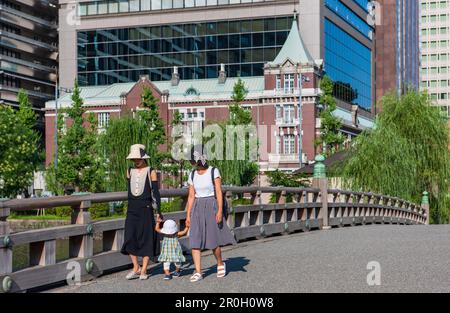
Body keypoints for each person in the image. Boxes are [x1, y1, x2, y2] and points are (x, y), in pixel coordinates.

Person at [185, 145, 236, 282]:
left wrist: (219, 210)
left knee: (213, 240)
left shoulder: (213, 171)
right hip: (197, 206)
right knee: (195, 239)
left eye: (193, 159)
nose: (192, 163)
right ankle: (198, 271)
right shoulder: (192, 174)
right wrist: (188, 215)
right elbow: (191, 196)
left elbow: (219, 192)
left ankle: (220, 262)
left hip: (211, 205)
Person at [121, 144, 161, 280]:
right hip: (132, 209)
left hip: (146, 208)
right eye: (134, 159)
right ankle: (135, 267)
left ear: (144, 158)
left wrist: (159, 212)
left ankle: (144, 270)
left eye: (138, 158)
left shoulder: (151, 171)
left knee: (146, 238)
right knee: (129, 237)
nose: (136, 161)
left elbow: (156, 193)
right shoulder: (129, 171)